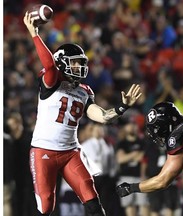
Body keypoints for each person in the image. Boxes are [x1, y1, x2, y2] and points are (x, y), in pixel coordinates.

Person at [23, 12, 142, 216]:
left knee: (93, 203)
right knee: (45, 206)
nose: (79, 66)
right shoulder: (52, 82)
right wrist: (34, 33)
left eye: (80, 62)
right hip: (44, 151)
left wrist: (122, 107)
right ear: (62, 62)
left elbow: (103, 116)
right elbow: (50, 65)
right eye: (75, 62)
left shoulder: (84, 91)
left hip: (71, 152)